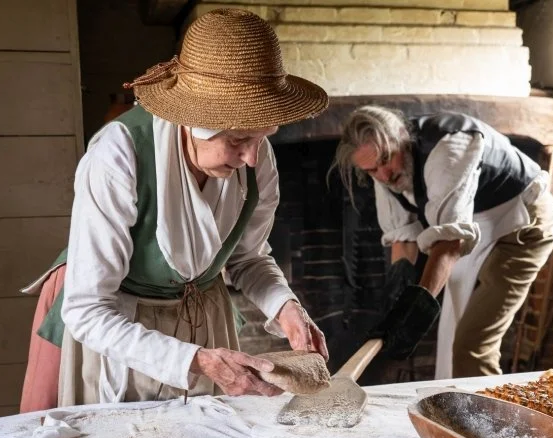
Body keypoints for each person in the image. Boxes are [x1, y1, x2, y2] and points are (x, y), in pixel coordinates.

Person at [19, 8, 330, 412]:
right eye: (238, 139)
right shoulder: (119, 155)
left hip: (201, 313)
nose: (252, 157)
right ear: (194, 122)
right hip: (116, 321)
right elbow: (87, 309)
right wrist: (195, 360)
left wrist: (286, 307)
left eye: (262, 137)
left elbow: (247, 256)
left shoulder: (256, 157)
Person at [330, 105, 553, 378]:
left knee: (472, 345)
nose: (384, 175)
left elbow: (448, 244)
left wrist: (416, 308)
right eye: (371, 170)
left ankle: (491, 418)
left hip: (521, 225)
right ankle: (458, 412)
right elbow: (404, 239)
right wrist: (395, 304)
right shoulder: (386, 169)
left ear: (401, 136)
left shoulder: (447, 150)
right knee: (451, 337)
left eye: (387, 160)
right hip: (477, 224)